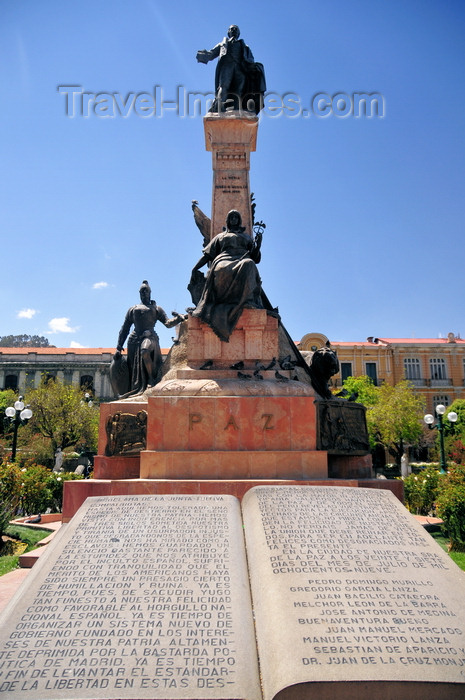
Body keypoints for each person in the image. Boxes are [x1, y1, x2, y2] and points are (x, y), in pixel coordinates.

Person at [190, 210, 263, 341]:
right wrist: (195, 268)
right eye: (231, 217)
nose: (234, 219)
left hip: (242, 259)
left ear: (239, 220)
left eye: (236, 217)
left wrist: (259, 244)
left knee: (250, 264)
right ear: (228, 220)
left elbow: (256, 258)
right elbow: (207, 255)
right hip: (223, 259)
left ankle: (248, 300)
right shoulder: (220, 237)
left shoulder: (246, 237)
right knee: (220, 269)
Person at [114, 281, 185, 395]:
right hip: (133, 340)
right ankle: (135, 390)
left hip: (150, 337)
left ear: (150, 292)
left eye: (146, 291)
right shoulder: (133, 309)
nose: (144, 293)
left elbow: (167, 323)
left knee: (145, 351)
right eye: (142, 291)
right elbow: (125, 328)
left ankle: (152, 379)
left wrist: (178, 319)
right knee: (133, 369)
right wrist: (119, 347)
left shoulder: (156, 308)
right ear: (139, 293)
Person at [196, 25, 266, 113]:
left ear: (239, 33)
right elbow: (212, 53)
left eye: (236, 29)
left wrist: (254, 68)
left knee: (239, 90)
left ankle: (236, 109)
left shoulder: (245, 47)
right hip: (227, 67)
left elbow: (250, 59)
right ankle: (219, 108)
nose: (234, 30)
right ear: (228, 32)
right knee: (224, 86)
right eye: (231, 29)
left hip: (241, 68)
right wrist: (204, 55)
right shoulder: (223, 44)